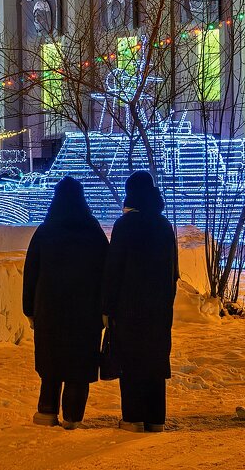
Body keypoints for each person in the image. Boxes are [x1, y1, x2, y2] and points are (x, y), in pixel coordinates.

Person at [23, 176, 109, 429]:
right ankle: (73, 417)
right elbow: (107, 271)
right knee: (78, 368)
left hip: (49, 310)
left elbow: (31, 273)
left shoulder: (46, 230)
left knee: (51, 364)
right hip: (86, 312)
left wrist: (29, 309)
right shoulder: (93, 231)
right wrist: (105, 309)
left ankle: (46, 411)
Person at [102, 171, 179, 433]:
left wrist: (108, 308)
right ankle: (156, 419)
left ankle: (133, 418)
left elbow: (114, 270)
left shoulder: (124, 226)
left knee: (131, 363)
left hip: (129, 309)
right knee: (155, 362)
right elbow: (173, 272)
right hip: (158, 309)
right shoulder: (164, 226)